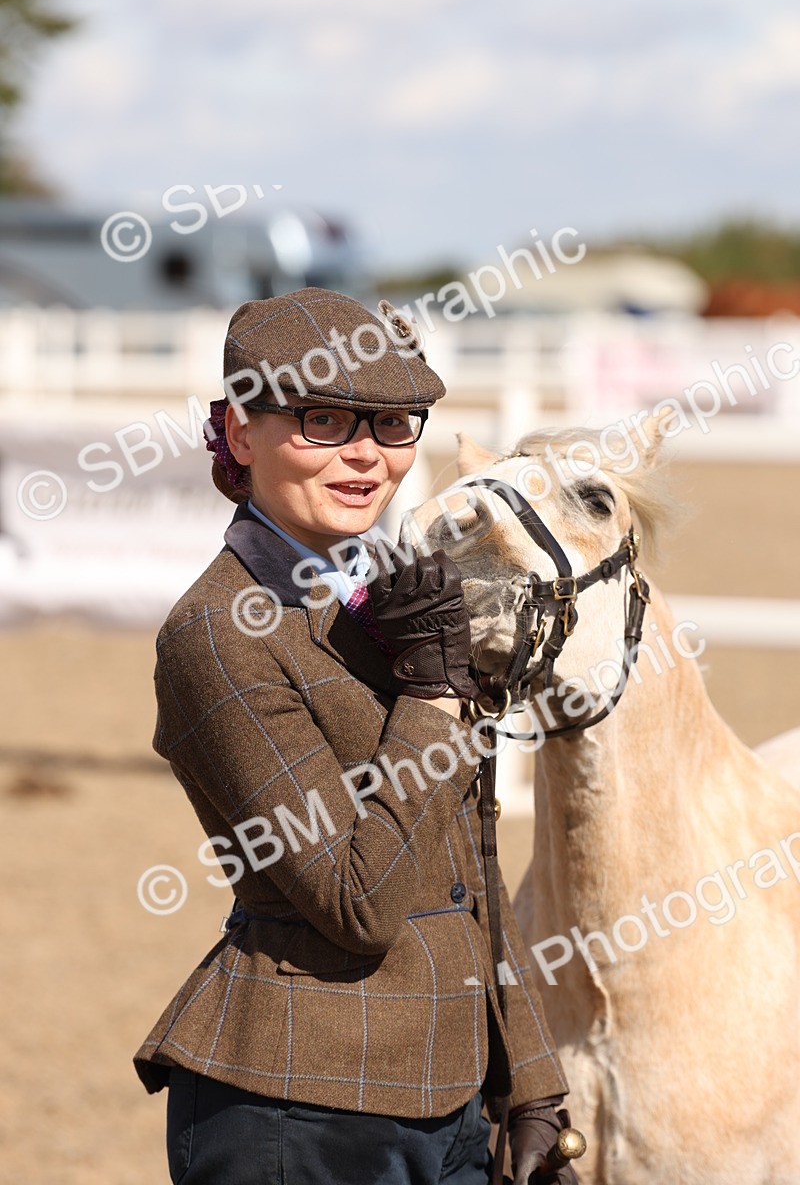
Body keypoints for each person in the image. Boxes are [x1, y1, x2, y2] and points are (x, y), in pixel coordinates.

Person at [132, 287, 578, 1185]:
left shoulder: (388, 591)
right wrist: (434, 697)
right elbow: (357, 900)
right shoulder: (218, 633)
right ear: (239, 430)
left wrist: (529, 1081)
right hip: (301, 1108)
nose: (368, 456)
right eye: (324, 419)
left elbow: (465, 865)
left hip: (452, 1097)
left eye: (393, 422)